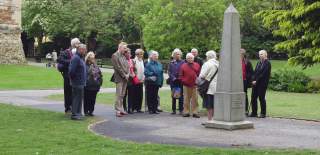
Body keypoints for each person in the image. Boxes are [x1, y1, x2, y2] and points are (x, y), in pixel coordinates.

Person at [57, 38, 80, 114]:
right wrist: (71, 62)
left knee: (75, 92)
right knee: (67, 92)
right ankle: (67, 108)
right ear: (74, 44)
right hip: (67, 75)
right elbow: (60, 60)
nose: (79, 45)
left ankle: (74, 107)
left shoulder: (79, 52)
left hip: (77, 76)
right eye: (78, 43)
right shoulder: (66, 52)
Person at [249, 50, 271, 118]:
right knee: (253, 98)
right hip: (255, 83)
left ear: (265, 55)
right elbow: (255, 72)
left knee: (261, 98)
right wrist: (253, 80)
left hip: (262, 84)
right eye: (259, 54)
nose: (260, 55)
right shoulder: (259, 62)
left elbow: (263, 74)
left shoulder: (267, 63)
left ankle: (263, 113)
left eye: (261, 54)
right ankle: (254, 112)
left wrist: (256, 81)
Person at [198, 50, 219, 123]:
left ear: (208, 57)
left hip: (208, 87)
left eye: (206, 56)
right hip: (217, 87)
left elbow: (202, 75)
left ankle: (210, 120)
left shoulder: (207, 64)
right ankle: (215, 120)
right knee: (215, 104)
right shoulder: (219, 64)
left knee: (209, 105)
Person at [68, 43, 87, 120]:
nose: (85, 51)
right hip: (77, 82)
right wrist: (74, 80)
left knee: (79, 98)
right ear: (80, 50)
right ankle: (75, 114)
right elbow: (71, 71)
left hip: (80, 82)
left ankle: (78, 113)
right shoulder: (76, 58)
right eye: (84, 49)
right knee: (76, 98)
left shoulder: (80, 58)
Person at [111, 42, 130, 117]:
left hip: (125, 78)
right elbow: (117, 67)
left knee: (122, 94)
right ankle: (117, 110)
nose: (125, 50)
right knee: (118, 95)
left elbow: (127, 65)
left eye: (126, 48)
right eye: (124, 48)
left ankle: (121, 109)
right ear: (120, 47)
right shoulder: (115, 55)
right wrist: (124, 75)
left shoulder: (123, 56)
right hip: (119, 78)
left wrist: (128, 74)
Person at [179, 53, 201, 118]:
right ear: (186, 59)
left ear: (193, 58)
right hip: (186, 85)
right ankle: (186, 112)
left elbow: (199, 74)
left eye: (191, 58)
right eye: (188, 58)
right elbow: (180, 75)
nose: (190, 59)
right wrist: (183, 81)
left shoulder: (197, 65)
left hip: (195, 85)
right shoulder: (183, 65)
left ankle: (195, 112)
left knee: (195, 99)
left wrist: (197, 81)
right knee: (186, 99)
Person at [84, 52, 103, 116]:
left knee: (93, 99)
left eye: (93, 58)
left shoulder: (96, 66)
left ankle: (91, 111)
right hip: (88, 85)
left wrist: (99, 83)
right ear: (88, 58)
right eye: (92, 58)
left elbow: (100, 75)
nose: (93, 59)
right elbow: (85, 75)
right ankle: (86, 111)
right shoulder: (85, 65)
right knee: (87, 98)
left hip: (95, 85)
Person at [168, 48, 184, 115]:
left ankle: (181, 110)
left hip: (180, 81)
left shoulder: (183, 62)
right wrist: (173, 78)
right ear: (173, 55)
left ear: (180, 55)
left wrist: (180, 78)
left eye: (178, 54)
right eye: (175, 54)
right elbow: (169, 72)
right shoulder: (171, 63)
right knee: (173, 96)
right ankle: (173, 110)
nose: (177, 55)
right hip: (173, 82)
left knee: (181, 96)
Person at [240, 49, 254, 116]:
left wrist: (245, 76)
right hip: (236, 82)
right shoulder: (235, 62)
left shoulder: (247, 62)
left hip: (244, 81)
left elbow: (251, 72)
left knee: (244, 95)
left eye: (241, 54)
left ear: (243, 54)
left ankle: (245, 110)